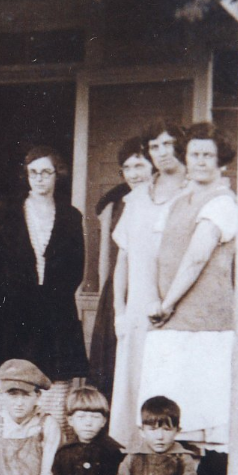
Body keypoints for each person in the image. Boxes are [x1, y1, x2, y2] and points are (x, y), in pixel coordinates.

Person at [141, 122, 238, 452]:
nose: (200, 161)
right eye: (194, 154)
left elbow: (196, 258)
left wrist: (166, 303)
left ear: (220, 160)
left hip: (204, 323)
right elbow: (156, 255)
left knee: (204, 410)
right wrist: (155, 299)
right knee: (172, 406)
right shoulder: (179, 202)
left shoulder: (222, 202)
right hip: (170, 321)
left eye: (208, 155)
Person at [0, 146, 88, 434]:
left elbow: (76, 268)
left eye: (46, 172)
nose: (40, 179)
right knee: (8, 385)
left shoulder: (70, 217)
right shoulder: (6, 216)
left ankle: (48, 456)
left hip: (54, 314)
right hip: (12, 314)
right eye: (34, 173)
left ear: (57, 175)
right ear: (26, 176)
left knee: (52, 390)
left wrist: (51, 297)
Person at [109, 122, 189, 448]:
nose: (162, 152)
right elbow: (123, 260)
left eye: (169, 144)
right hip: (139, 309)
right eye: (155, 146)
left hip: (178, 308)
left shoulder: (192, 195)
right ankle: (138, 464)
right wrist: (120, 311)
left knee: (171, 384)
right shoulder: (137, 198)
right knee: (136, 383)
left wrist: (169, 302)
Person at [86, 136, 151, 401]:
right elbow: (108, 257)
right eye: (128, 168)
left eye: (140, 166)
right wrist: (109, 297)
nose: (134, 174)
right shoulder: (116, 205)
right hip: (119, 290)